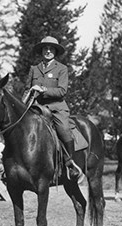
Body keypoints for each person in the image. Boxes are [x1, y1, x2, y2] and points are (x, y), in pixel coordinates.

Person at [22, 36, 85, 181]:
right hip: (36, 107)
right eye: (45, 48)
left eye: (51, 49)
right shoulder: (34, 69)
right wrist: (22, 104)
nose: (48, 51)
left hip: (56, 108)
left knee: (63, 128)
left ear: (55, 52)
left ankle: (70, 164)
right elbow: (27, 90)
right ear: (42, 50)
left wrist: (43, 89)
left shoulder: (61, 69)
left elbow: (62, 91)